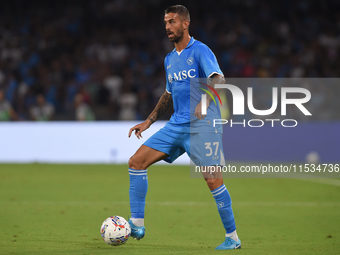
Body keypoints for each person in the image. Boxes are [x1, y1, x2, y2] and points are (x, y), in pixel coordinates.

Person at [128, 5, 241, 250]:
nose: (168, 27)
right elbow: (168, 93)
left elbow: (219, 79)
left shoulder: (200, 50)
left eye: (172, 22)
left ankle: (232, 237)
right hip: (176, 125)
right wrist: (149, 121)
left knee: (212, 180)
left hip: (203, 126)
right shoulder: (169, 59)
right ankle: (136, 223)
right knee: (136, 162)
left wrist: (204, 100)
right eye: (166, 22)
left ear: (185, 24)